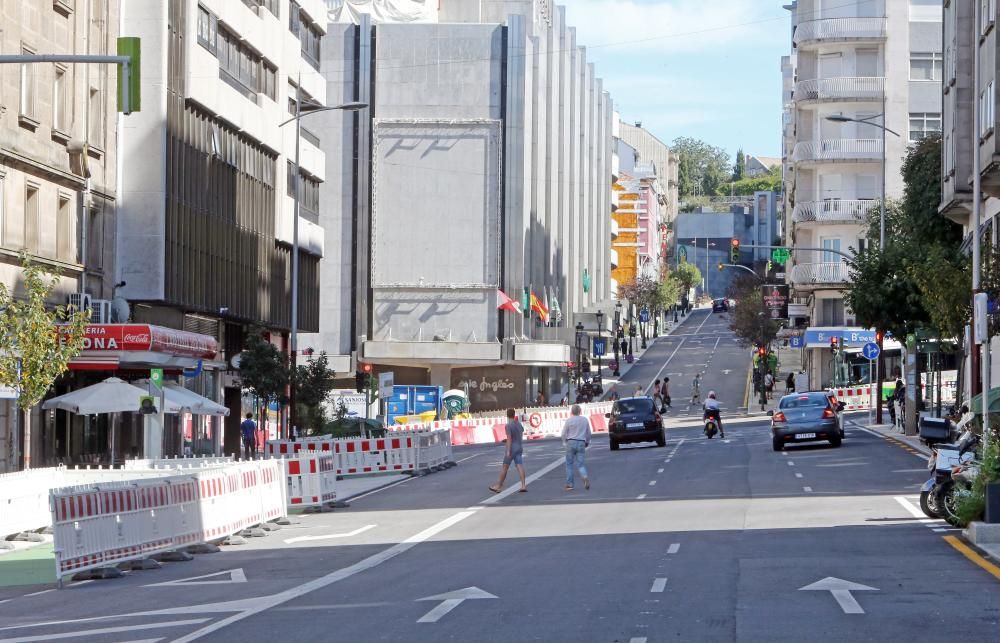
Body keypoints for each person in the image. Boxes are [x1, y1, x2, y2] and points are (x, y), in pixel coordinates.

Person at [490, 408, 527, 494]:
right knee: (519, 466)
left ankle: (498, 486)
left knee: (505, 467)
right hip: (519, 447)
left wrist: (508, 451)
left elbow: (509, 439)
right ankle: (523, 485)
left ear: (507, 415)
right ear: (514, 415)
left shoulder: (508, 425)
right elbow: (520, 435)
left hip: (511, 448)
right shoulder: (519, 424)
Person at [561, 404, 592, 490]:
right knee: (581, 464)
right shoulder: (585, 420)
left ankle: (570, 484)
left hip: (571, 442)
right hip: (581, 442)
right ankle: (584, 476)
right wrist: (587, 442)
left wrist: (564, 442)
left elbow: (563, 433)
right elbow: (588, 433)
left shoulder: (569, 421)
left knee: (569, 464)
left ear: (571, 412)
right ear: (580, 411)